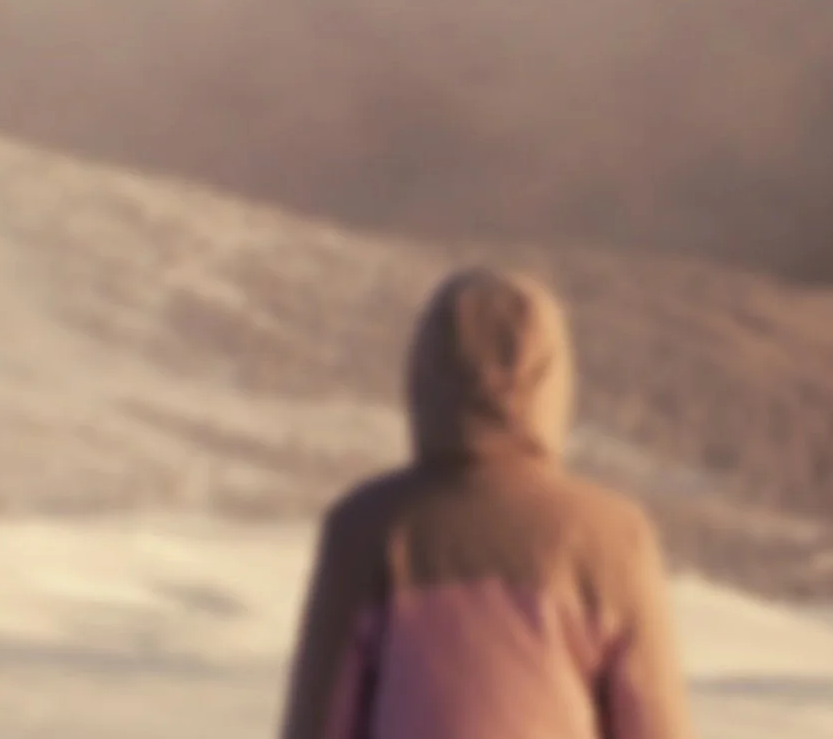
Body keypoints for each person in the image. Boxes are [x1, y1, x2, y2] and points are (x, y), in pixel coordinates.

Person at [278, 267, 693, 739]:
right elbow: (654, 725)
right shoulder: (613, 536)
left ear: (422, 376)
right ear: (553, 382)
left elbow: (318, 724)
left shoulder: (363, 527)